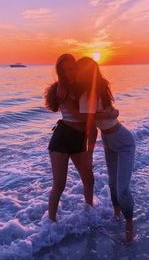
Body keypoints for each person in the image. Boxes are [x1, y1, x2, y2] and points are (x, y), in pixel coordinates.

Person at [44, 54, 118, 222]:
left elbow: (91, 107)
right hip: (62, 138)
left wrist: (107, 109)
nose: (68, 73)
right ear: (60, 72)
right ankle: (51, 223)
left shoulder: (80, 86)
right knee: (59, 184)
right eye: (64, 70)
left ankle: (89, 212)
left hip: (78, 139)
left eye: (72, 68)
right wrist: (107, 114)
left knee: (89, 179)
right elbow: (81, 115)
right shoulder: (60, 89)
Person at [75, 57, 136, 243]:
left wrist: (109, 112)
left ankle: (129, 225)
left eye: (86, 69)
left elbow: (95, 115)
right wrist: (108, 113)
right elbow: (89, 117)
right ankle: (116, 215)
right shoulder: (84, 93)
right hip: (108, 140)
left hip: (124, 141)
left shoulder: (99, 88)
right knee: (111, 184)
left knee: (122, 188)